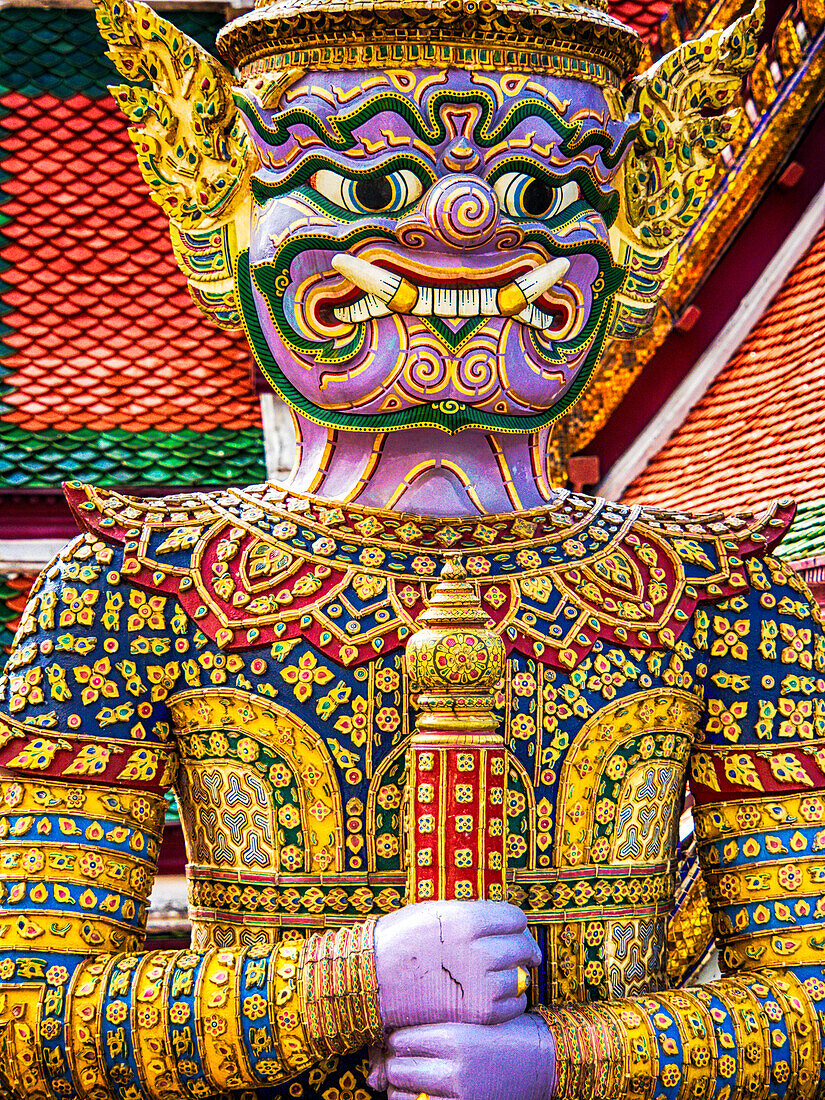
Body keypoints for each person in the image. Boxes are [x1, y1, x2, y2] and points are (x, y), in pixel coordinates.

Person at [3, 1, 822, 1099]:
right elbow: (25, 1012)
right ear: (223, 212)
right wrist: (353, 978)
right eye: (373, 183)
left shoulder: (724, 593)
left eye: (541, 190)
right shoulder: (136, 584)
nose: (467, 215)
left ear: (636, 228)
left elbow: (811, 994)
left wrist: (570, 1060)